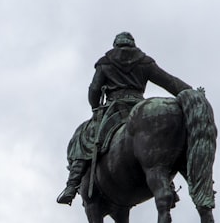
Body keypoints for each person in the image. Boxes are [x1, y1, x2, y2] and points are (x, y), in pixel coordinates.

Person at [57, 32, 193, 206]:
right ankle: (169, 186)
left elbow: (94, 89)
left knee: (85, 138)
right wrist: (190, 91)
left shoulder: (106, 62)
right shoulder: (144, 61)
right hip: (137, 107)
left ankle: (71, 186)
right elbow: (169, 82)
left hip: (114, 109)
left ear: (116, 44)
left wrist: (94, 105)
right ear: (132, 44)